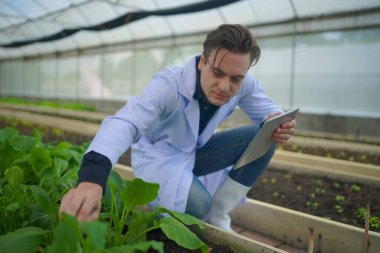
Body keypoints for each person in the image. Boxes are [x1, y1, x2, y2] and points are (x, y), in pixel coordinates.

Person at [59, 24, 296, 232]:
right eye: (217, 72)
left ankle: (219, 214)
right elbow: (125, 122)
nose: (225, 86)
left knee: (263, 138)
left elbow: (270, 111)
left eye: (236, 78)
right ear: (203, 61)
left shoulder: (244, 83)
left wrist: (278, 121)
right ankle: (181, 205)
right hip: (159, 157)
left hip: (196, 152)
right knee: (197, 206)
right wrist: (91, 180)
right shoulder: (168, 86)